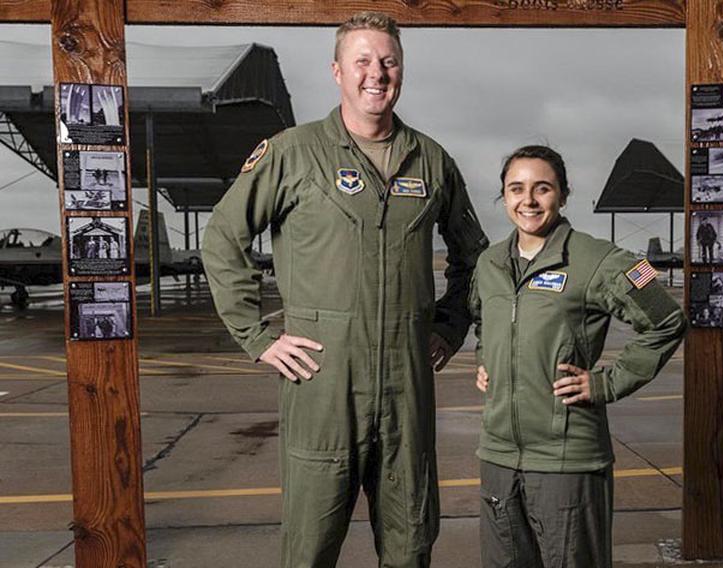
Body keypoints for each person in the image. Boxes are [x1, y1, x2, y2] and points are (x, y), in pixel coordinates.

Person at [202, 11, 488, 568]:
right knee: (311, 546)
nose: (375, 73)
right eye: (363, 61)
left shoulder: (430, 160)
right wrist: (257, 336)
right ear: (337, 71)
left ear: (401, 70)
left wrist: (450, 327)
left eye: (388, 61)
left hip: (407, 381)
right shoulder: (291, 152)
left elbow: (472, 254)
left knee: (410, 544)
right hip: (323, 377)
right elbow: (222, 237)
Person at [469, 146, 685, 568]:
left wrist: (605, 383)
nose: (528, 200)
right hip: (498, 456)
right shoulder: (489, 263)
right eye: (516, 188)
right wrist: (484, 358)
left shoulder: (599, 260)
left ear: (563, 195)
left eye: (542, 188)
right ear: (503, 196)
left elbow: (667, 320)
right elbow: (482, 319)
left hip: (567, 461)